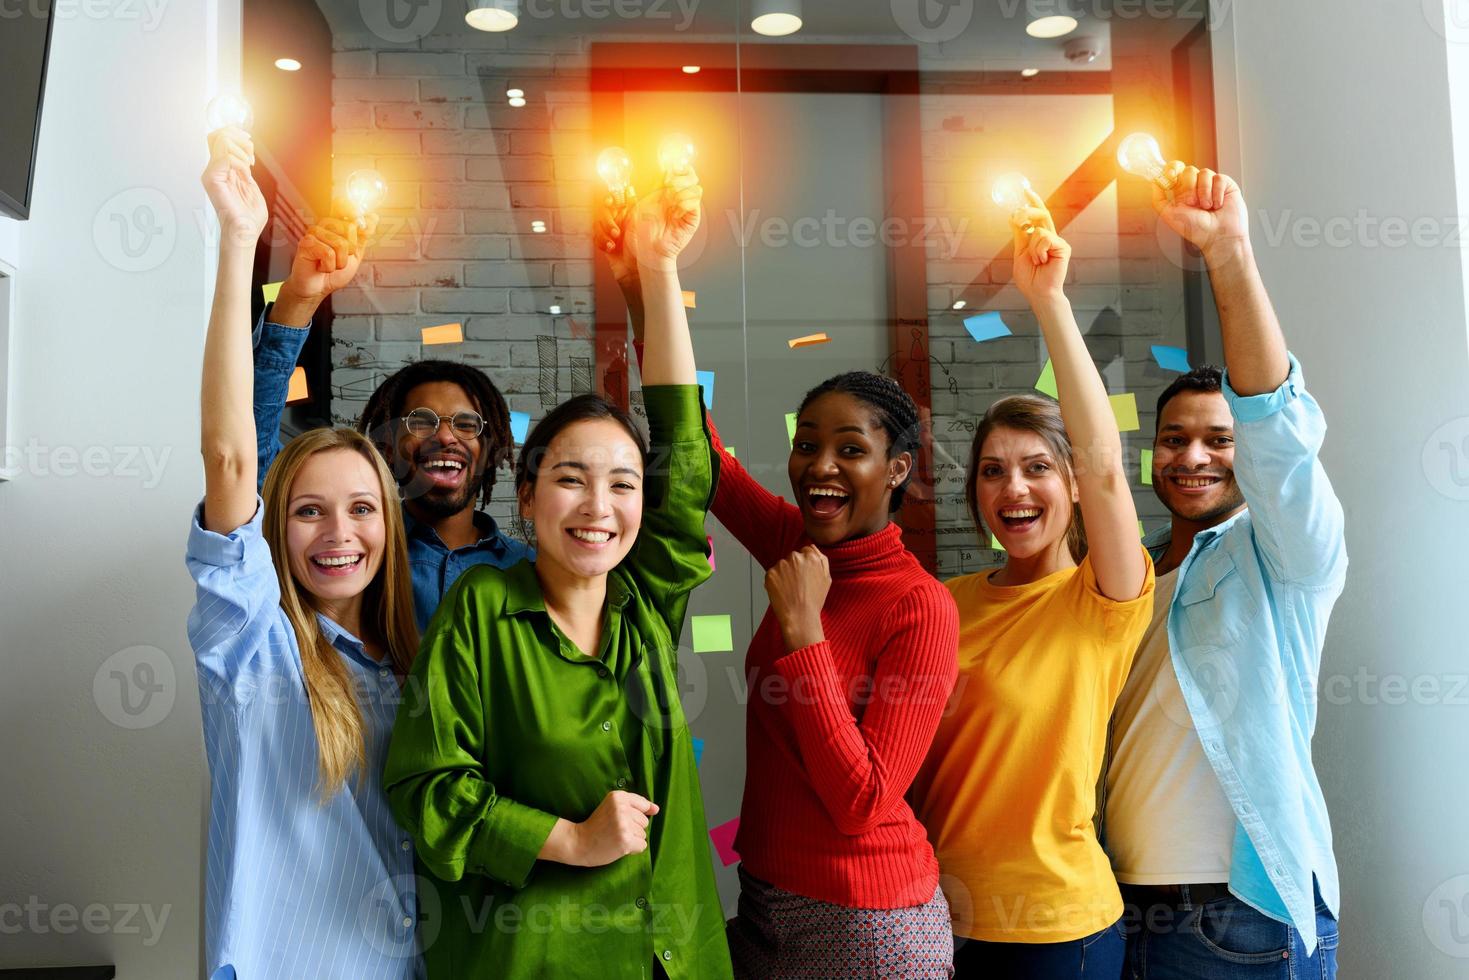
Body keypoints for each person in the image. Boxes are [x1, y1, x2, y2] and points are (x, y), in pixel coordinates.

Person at [599, 177, 961, 979]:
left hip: (868, 922)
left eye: (851, 450)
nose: (820, 467)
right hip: (765, 895)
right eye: (807, 445)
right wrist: (642, 277)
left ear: (898, 469)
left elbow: (863, 803)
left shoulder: (919, 606)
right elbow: (697, 448)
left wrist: (803, 634)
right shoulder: (801, 546)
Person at [383, 166, 732, 979]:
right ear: (528, 492)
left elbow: (685, 461)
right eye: (571, 478)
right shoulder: (482, 606)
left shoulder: (645, 602)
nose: (598, 506)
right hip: (530, 958)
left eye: (622, 483)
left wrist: (658, 267)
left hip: (670, 954)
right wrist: (569, 839)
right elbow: (426, 784)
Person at [188, 128, 423, 979]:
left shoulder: (410, 658)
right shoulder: (256, 645)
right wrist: (242, 245)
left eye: (361, 509)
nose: (338, 534)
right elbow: (231, 457)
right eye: (308, 512)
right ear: (269, 530)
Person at [1103, 163, 1344, 977]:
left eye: (1217, 438)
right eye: (1173, 438)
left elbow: (1274, 428)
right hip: (1118, 905)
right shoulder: (1130, 577)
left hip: (1235, 912)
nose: (1193, 456)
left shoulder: (1283, 556)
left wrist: (1227, 254)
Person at [910, 194, 1156, 978]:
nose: (1013, 487)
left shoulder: (1101, 600)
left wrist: (1046, 300)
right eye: (992, 471)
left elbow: (1109, 470)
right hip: (938, 919)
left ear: (1072, 486)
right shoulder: (943, 604)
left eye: (1036, 467)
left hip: (1060, 933)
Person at [252, 215, 530, 631]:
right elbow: (249, 452)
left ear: (490, 451)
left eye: (467, 424)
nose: (444, 436)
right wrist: (299, 299)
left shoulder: (530, 571)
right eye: (421, 421)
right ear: (386, 447)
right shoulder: (350, 549)